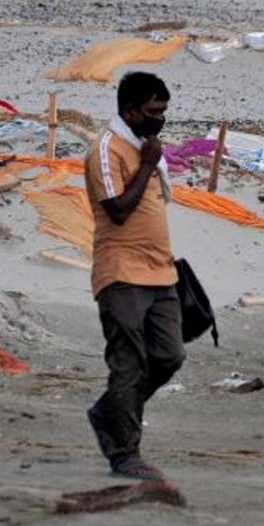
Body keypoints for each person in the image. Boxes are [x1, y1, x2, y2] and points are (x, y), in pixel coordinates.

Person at [83, 71, 183, 480]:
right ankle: (125, 453)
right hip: (121, 272)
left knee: (168, 355)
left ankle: (110, 412)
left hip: (161, 272)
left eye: (163, 111)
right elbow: (118, 211)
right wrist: (146, 166)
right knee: (128, 365)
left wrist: (149, 159)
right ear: (129, 110)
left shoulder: (145, 145)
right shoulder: (107, 150)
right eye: (152, 111)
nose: (160, 118)